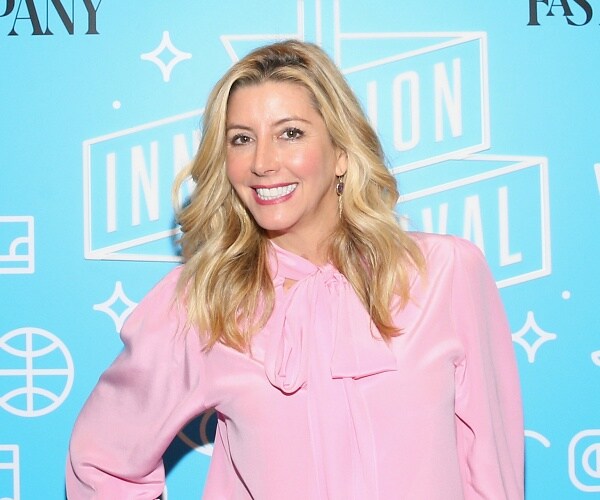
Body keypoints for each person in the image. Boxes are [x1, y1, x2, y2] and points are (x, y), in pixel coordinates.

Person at [66, 40, 524, 499]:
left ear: (341, 152)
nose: (263, 163)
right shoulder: (204, 300)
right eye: (241, 139)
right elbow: (100, 462)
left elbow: (491, 472)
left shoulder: (445, 273)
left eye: (290, 133)